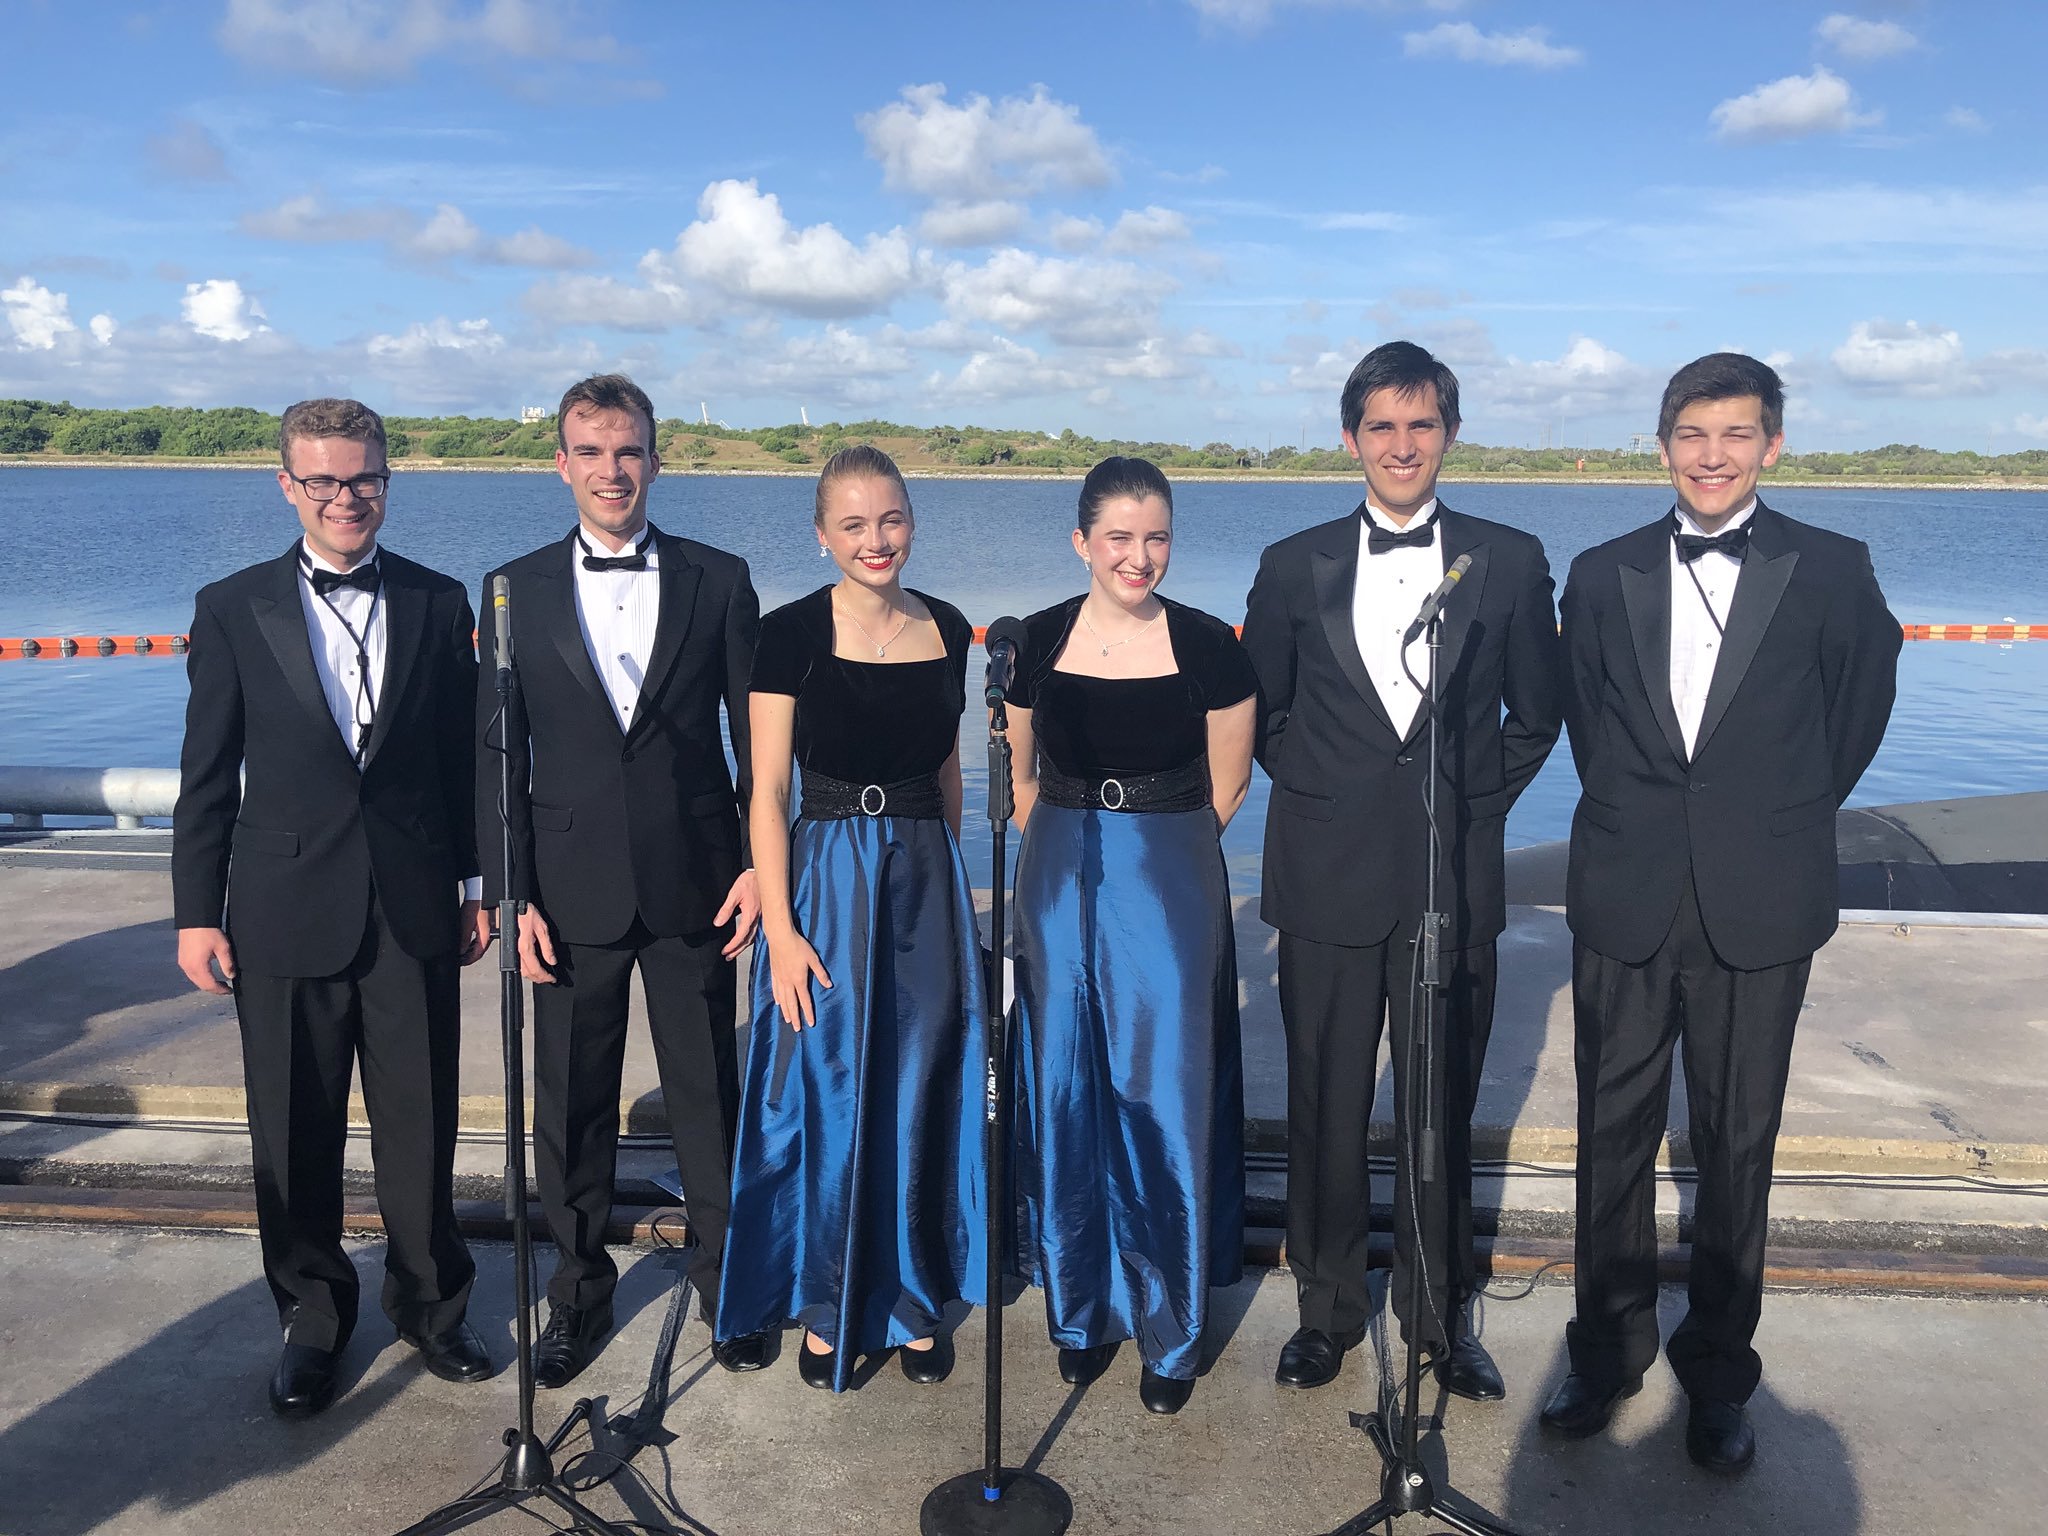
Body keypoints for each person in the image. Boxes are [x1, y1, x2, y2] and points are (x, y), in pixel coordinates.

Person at [1541, 353, 1900, 1473]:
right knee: (1609, 1140)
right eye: (1692, 435)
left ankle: (1715, 1377)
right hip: (1627, 894)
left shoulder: (1833, 571)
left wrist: (1768, 819)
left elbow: (1856, 717)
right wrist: (1661, 825)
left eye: (1734, 435)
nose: (1711, 455)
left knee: (1737, 1147)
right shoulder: (1597, 574)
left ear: (1771, 446)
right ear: (1663, 446)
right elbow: (1590, 732)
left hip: (1762, 896)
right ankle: (1603, 1354)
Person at [1240, 341, 1563, 1398]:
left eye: (1420, 425)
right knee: (1325, 1104)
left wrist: (1459, 810)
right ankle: (1324, 1312)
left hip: (1449, 881)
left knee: (1438, 1110)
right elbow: (1265, 716)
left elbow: (1535, 715)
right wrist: (1340, 798)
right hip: (1325, 876)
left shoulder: (1508, 560)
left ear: (1450, 436)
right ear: (1349, 439)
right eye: (1380, 426)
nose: (1400, 445)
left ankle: (1436, 1317)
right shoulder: (1291, 563)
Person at [173, 398, 494, 1418]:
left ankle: (432, 1310)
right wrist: (195, 910)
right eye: (322, 480)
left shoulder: (442, 604)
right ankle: (313, 1320)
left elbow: (461, 764)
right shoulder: (232, 606)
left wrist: (478, 887)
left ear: (387, 480)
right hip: (278, 907)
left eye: (362, 478)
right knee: (292, 1130)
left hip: (411, 910)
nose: (344, 497)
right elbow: (207, 773)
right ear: (287, 486)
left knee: (421, 1124)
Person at [478, 373, 769, 1384]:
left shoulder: (719, 578)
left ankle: (727, 1286)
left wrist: (757, 871)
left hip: (697, 880)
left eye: (629, 450)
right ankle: (576, 1293)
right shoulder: (511, 587)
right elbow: (498, 758)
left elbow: (755, 745)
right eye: (591, 452)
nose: (612, 470)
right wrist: (508, 894)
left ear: (656, 458)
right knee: (571, 1107)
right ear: (560, 463)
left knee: (709, 1101)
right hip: (564, 893)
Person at [716, 447, 988, 1392]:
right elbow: (766, 791)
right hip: (826, 880)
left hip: (924, 878)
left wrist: (951, 881)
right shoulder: (788, 633)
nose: (877, 541)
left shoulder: (950, 627)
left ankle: (915, 1298)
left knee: (919, 1086)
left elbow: (950, 770)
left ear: (913, 520)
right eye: (855, 524)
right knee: (827, 1089)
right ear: (823, 534)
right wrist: (782, 928)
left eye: (892, 520)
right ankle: (829, 1299)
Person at [1006, 456, 1256, 1416]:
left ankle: (1172, 1327)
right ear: (1081, 541)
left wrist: (1160, 859)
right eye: (1118, 537)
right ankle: (1081, 1311)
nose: (1138, 556)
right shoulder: (1032, 641)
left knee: (1162, 1093)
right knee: (1066, 1086)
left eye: (1155, 537)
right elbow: (1016, 776)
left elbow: (1227, 786)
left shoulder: (1208, 646)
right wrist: (1066, 846)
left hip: (1167, 879)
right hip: (1059, 866)